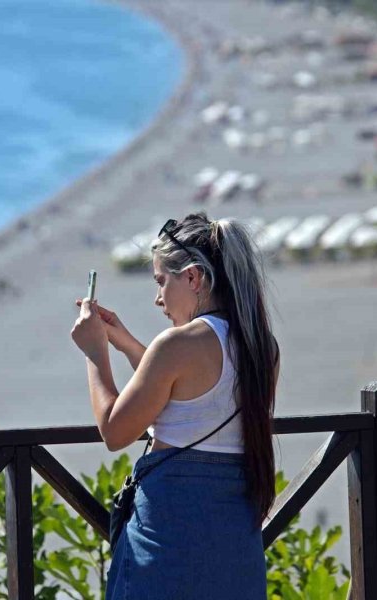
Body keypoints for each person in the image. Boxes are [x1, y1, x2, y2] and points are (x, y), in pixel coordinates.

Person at [70, 212, 279, 599]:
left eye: (161, 281)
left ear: (194, 278)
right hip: (234, 532)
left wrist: (95, 352)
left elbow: (115, 431)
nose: (158, 297)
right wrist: (129, 345)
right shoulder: (261, 345)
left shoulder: (177, 344)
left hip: (171, 528)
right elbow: (189, 397)